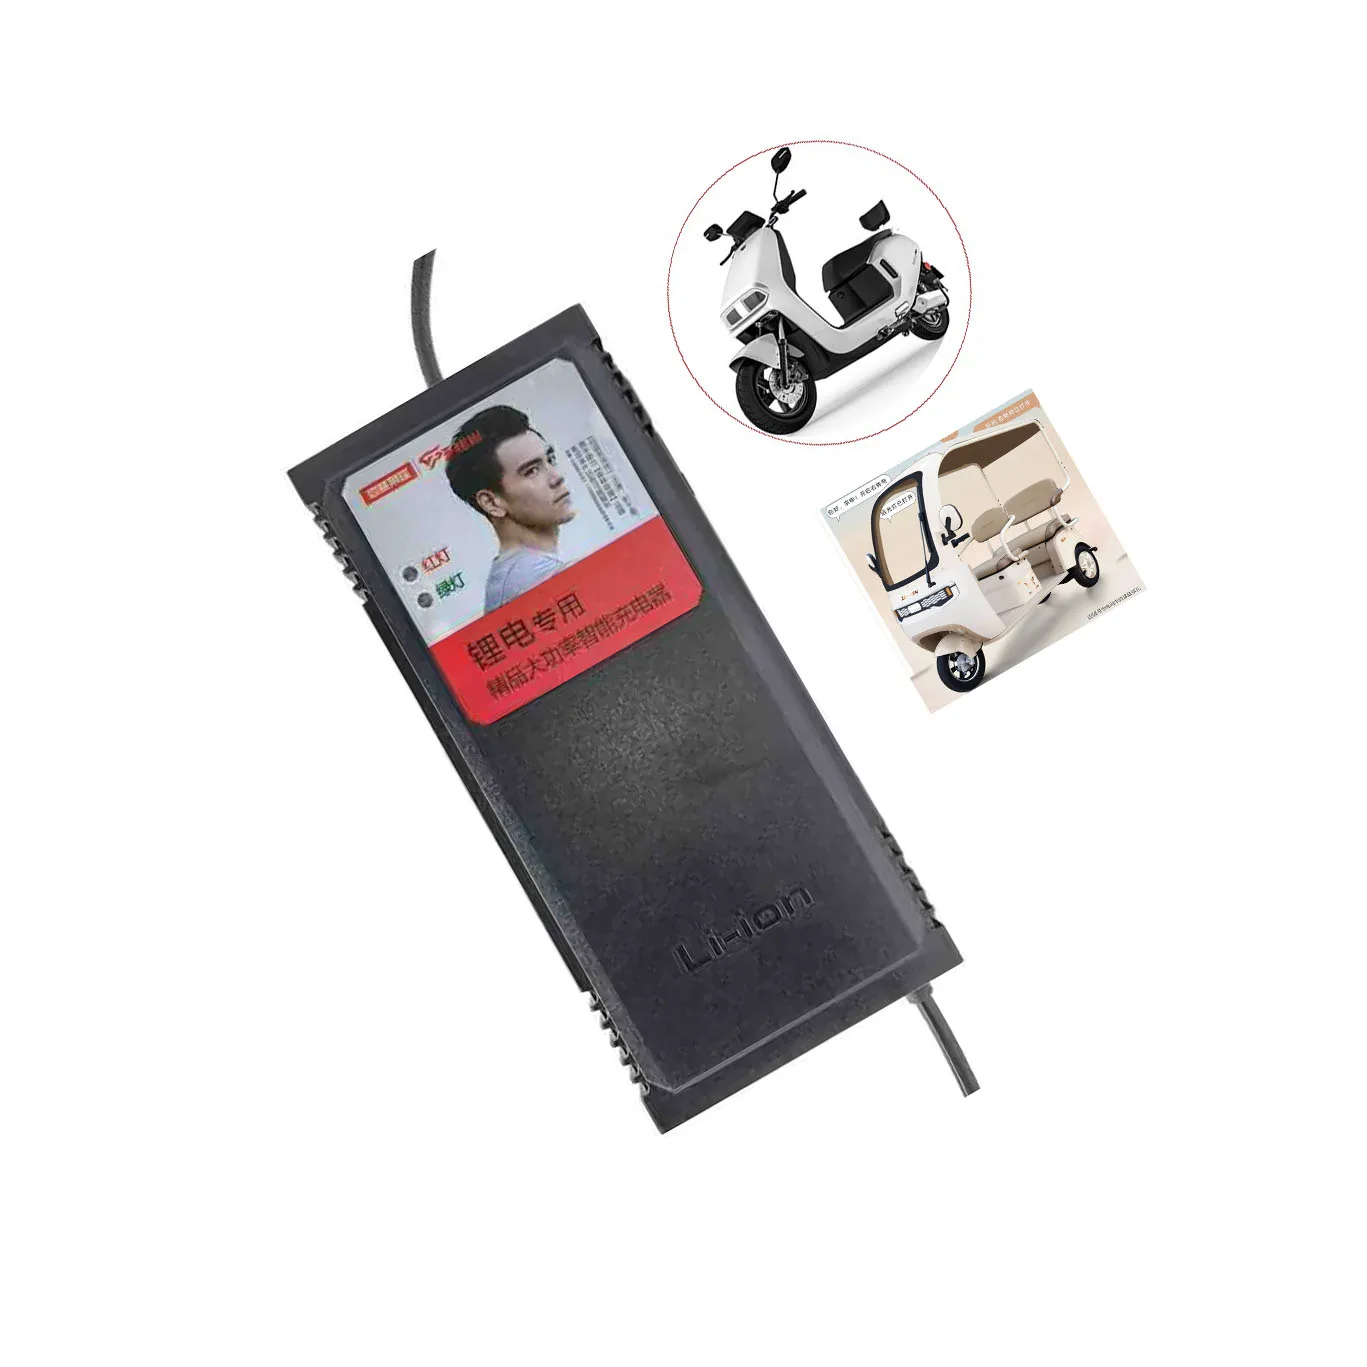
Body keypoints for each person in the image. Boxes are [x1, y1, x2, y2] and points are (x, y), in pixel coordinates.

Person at [445, 405, 577, 613]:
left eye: (550, 460)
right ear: (491, 503)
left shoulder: (515, 574)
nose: (557, 477)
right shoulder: (542, 579)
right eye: (531, 471)